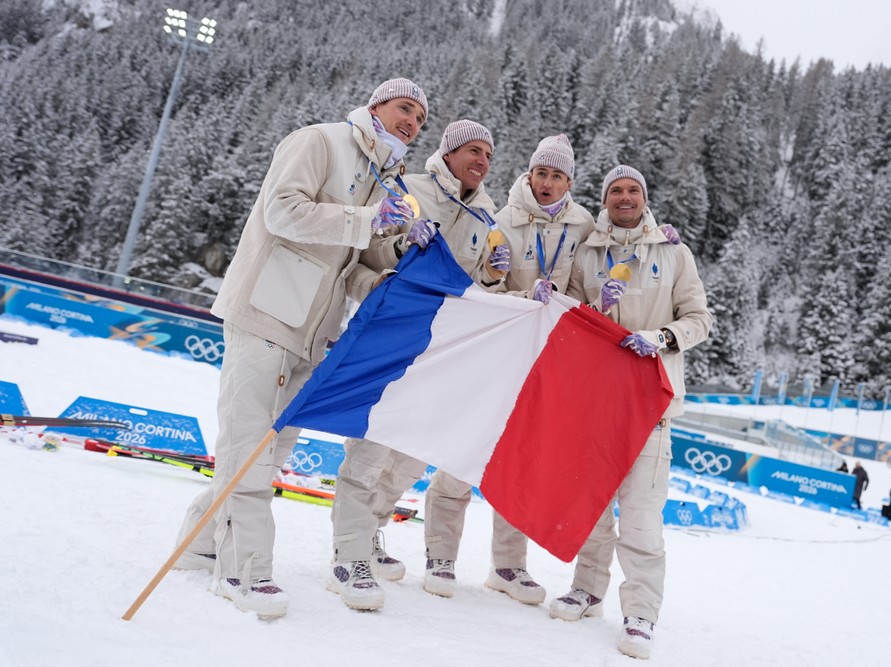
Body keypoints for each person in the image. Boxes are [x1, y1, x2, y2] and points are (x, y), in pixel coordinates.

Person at [171, 78, 429, 618]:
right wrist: (364, 221)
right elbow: (281, 212)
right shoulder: (320, 141)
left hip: (315, 331)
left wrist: (387, 270)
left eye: (421, 120)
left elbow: (351, 266)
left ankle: (200, 541)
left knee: (273, 449)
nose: (413, 122)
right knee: (249, 447)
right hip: (265, 312)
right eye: (406, 108)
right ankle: (243, 570)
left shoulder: (389, 180)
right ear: (376, 104)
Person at [329, 119, 511, 612]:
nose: (482, 162)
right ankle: (349, 558)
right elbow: (363, 261)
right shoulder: (410, 188)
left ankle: (370, 533)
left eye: (489, 155)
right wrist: (399, 244)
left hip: (439, 355)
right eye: (473, 150)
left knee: (409, 458)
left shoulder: (487, 216)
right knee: (367, 457)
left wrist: (495, 280)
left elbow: (474, 288)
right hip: (390, 344)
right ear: (448, 152)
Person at [420, 134, 596, 604]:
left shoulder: (584, 226)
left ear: (569, 182)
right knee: (465, 448)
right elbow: (478, 285)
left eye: (557, 176)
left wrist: (654, 235)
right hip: (500, 349)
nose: (547, 182)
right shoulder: (502, 217)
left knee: (521, 459)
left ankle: (508, 565)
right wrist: (495, 276)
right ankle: (440, 555)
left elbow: (610, 263)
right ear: (530, 173)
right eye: (541, 173)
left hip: (547, 358)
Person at [556, 165, 712, 660]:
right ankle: (587, 589)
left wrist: (662, 338)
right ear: (604, 200)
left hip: (653, 402)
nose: (624, 198)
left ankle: (640, 612)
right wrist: (593, 310)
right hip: (598, 402)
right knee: (595, 508)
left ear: (645, 198)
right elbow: (572, 322)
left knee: (642, 518)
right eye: (616, 191)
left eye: (633, 191)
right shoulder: (589, 253)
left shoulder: (672, 251)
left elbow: (700, 318)